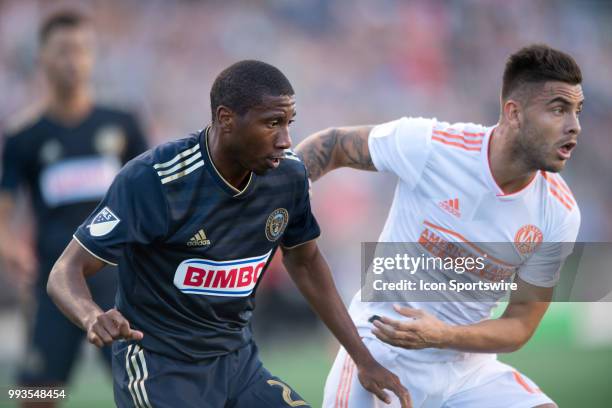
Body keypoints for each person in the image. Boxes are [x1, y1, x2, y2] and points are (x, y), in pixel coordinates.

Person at [46, 60, 410, 408]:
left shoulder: (288, 177)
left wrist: (363, 359)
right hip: (161, 369)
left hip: (238, 365)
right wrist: (91, 315)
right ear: (226, 119)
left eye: (289, 123)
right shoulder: (155, 180)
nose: (286, 140)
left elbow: (307, 261)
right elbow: (64, 272)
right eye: (272, 123)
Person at [296, 44, 583, 408]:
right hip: (381, 354)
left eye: (577, 110)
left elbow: (520, 324)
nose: (574, 125)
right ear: (514, 113)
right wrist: (276, 200)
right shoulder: (433, 146)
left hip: (466, 371)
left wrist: (443, 335)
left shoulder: (559, 213)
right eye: (559, 109)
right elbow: (334, 144)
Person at [0, 10, 147, 405]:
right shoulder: (23, 136)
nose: (73, 60)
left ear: (93, 57)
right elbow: (4, 210)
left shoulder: (123, 124)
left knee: (142, 390)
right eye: (63, 51)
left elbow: (151, 198)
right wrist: (11, 249)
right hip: (56, 286)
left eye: (82, 50)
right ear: (42, 59)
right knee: (32, 394)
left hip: (119, 287)